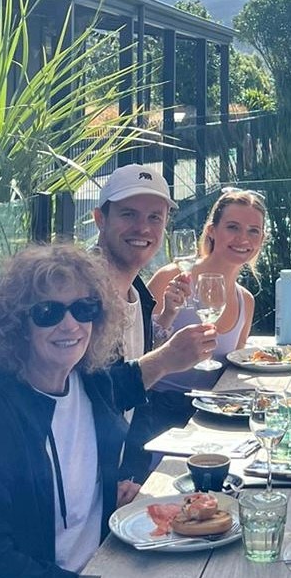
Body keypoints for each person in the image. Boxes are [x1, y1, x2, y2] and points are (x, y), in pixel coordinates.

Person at [0, 244, 148, 577]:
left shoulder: (91, 382)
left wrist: (108, 499)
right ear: (17, 325)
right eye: (49, 312)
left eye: (83, 309)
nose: (71, 325)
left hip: (107, 562)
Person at [91, 163, 218, 481]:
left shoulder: (139, 295)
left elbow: (139, 400)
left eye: (154, 218)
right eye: (128, 214)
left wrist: (132, 473)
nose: (143, 228)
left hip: (119, 475)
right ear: (100, 219)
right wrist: (165, 360)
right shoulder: (79, 296)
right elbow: (89, 397)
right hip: (82, 485)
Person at [145, 188, 267, 430]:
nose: (243, 239)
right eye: (232, 227)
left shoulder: (246, 300)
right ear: (212, 231)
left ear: (261, 239)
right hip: (158, 412)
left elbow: (234, 367)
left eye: (253, 231)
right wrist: (168, 315)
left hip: (214, 416)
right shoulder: (171, 278)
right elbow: (134, 352)